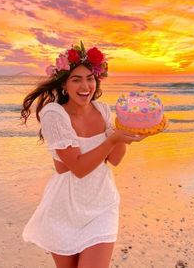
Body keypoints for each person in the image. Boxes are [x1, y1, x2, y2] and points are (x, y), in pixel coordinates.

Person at [21, 41, 150, 268]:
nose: (85, 85)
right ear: (64, 85)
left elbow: (114, 160)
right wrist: (113, 138)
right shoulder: (54, 115)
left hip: (102, 204)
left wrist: (127, 131)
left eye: (90, 78)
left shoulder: (102, 110)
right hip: (64, 207)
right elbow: (79, 169)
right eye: (76, 79)